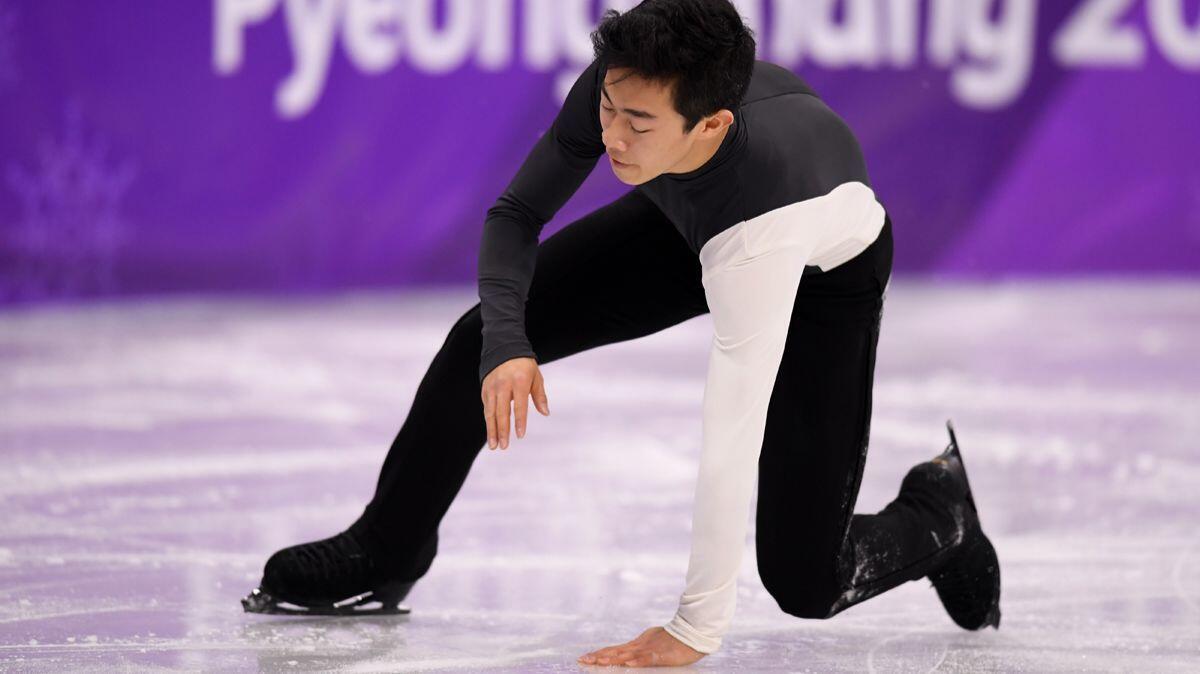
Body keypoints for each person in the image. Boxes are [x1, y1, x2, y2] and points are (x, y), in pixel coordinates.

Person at [241, 0, 1001, 667]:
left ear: (711, 122)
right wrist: (509, 342)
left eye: (636, 122)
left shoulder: (759, 239)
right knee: (481, 336)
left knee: (806, 581)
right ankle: (388, 546)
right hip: (690, 213)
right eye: (609, 110)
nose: (612, 136)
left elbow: (731, 430)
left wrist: (694, 628)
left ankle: (940, 512)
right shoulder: (627, 80)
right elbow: (515, 215)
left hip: (820, 271)